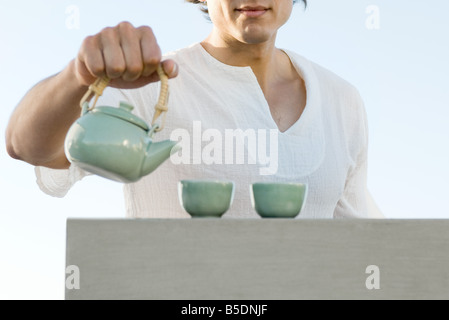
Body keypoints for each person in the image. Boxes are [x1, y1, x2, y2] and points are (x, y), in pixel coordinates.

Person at [5, 0, 383, 218]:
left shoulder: (342, 102)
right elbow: (26, 145)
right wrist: (78, 75)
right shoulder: (153, 83)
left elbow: (352, 251)